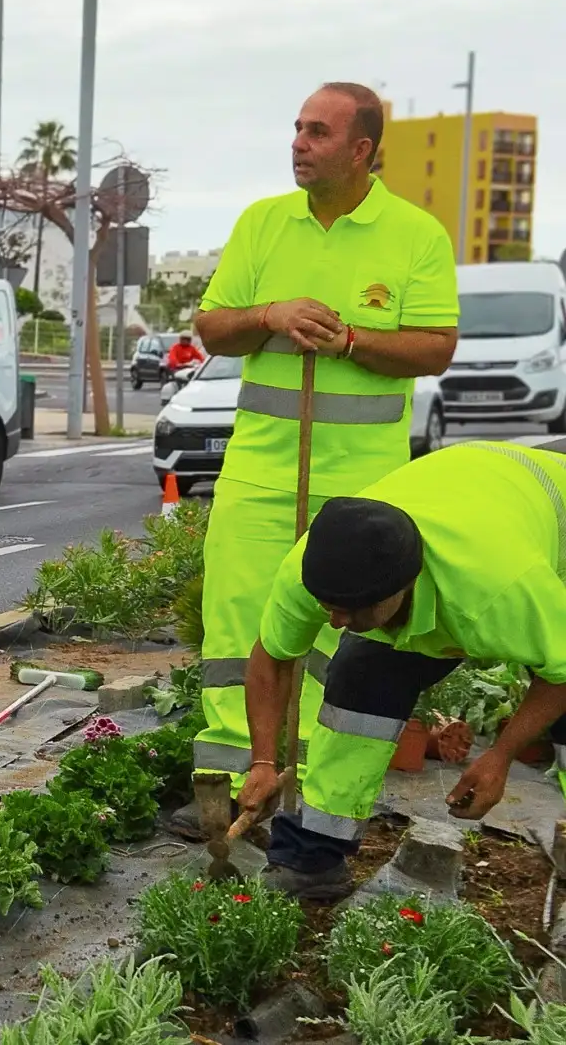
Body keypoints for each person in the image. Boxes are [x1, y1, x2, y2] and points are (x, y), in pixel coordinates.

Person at [181, 81, 459, 839]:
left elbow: (435, 345)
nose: (299, 143)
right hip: (258, 471)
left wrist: (350, 341)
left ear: (362, 149)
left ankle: (315, 807)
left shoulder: (414, 235)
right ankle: (229, 785)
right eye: (297, 128)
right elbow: (213, 326)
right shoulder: (263, 223)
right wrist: (270, 314)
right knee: (238, 628)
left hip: (358, 485)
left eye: (318, 132)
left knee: (342, 641)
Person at [236, 442, 566, 899]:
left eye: (349, 609)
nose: (334, 622)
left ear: (402, 587)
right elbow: (271, 659)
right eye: (327, 607)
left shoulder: (497, 591)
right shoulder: (312, 570)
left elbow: (563, 673)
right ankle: (313, 856)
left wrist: (501, 755)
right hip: (465, 492)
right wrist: (263, 761)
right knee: (361, 677)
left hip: (548, 516)